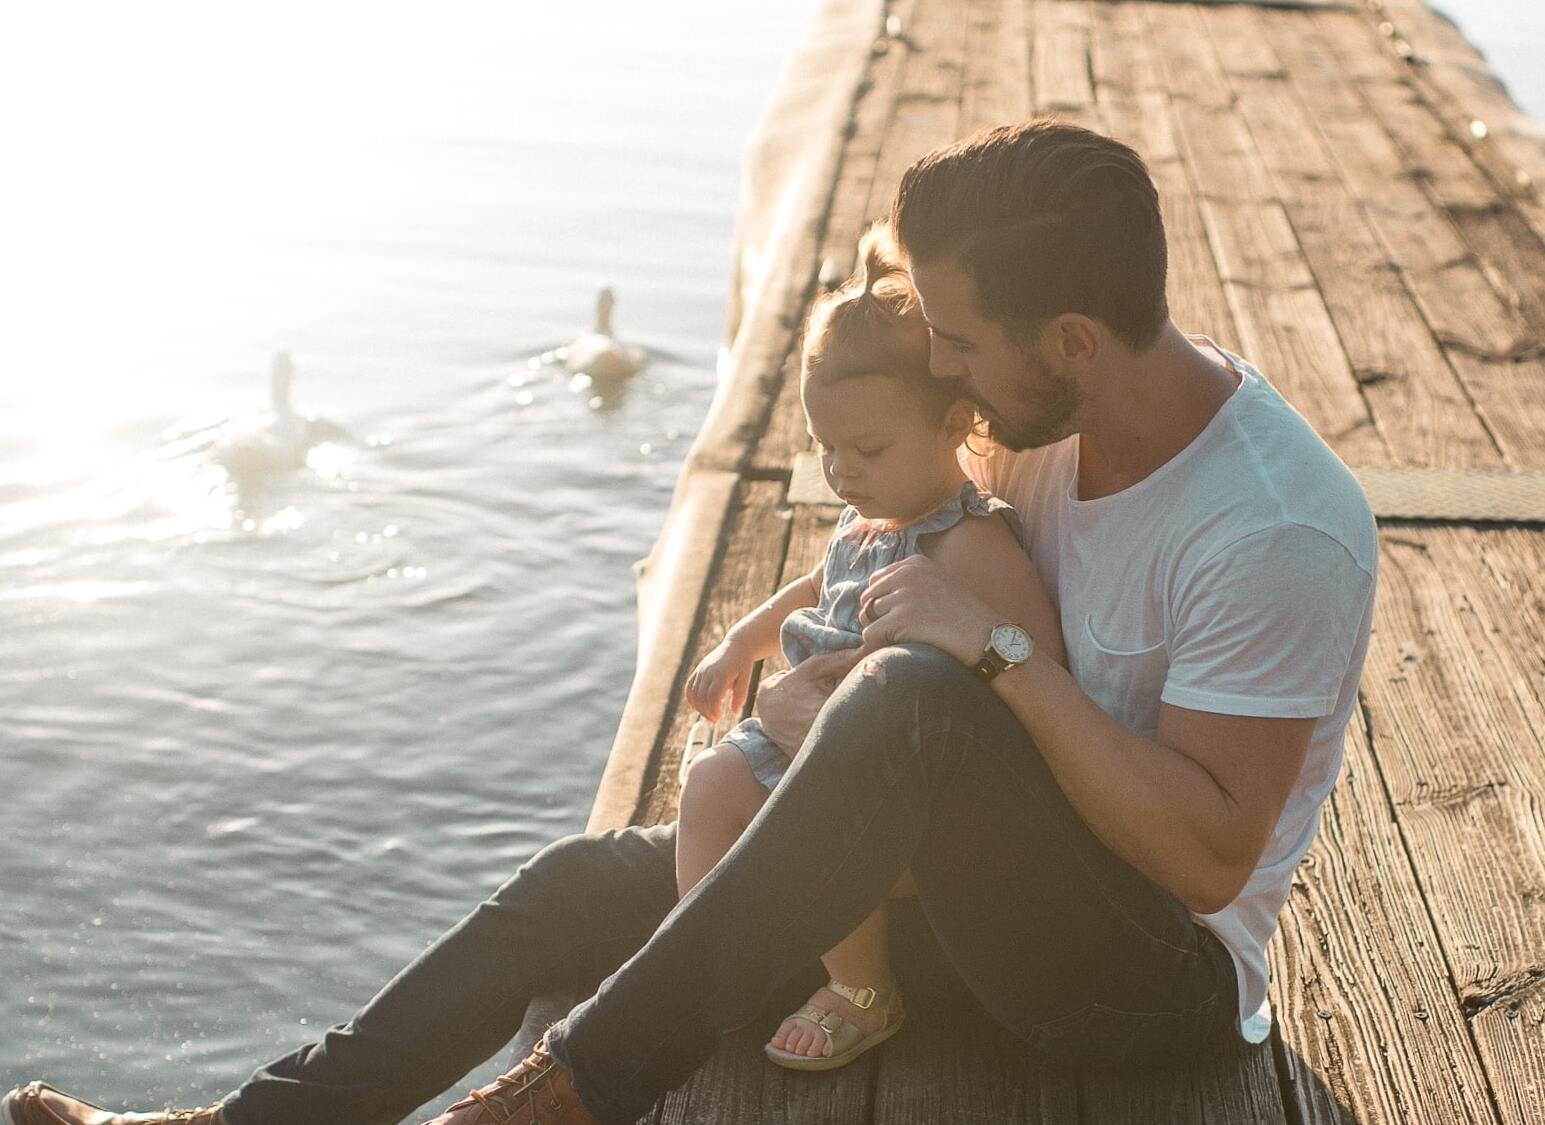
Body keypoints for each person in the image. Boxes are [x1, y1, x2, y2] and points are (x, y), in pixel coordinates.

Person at [4, 119, 1378, 1125]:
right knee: (575, 886)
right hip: (948, 883)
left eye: (957, 340)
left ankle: (558, 1101)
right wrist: (812, 649)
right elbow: (910, 567)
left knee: (908, 709)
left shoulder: (1274, 528)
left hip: (1134, 975)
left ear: (1070, 340)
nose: (938, 366)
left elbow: (1203, 861)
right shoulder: (1038, 424)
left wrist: (994, 658)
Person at [674, 223, 1065, 1071]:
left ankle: (863, 987)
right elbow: (816, 586)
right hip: (805, 729)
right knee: (706, 783)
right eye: (825, 452)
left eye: (867, 449)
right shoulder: (869, 519)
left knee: (818, 825)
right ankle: (710, 962)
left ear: (956, 421)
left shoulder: (967, 544)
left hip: (890, 777)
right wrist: (743, 641)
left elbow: (1037, 666)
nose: (842, 472)